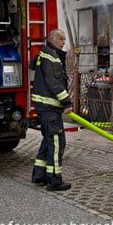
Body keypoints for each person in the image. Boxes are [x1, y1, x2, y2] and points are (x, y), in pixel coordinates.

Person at [30, 29, 73, 192]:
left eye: (64, 39)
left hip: (44, 107)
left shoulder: (44, 54)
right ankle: (54, 180)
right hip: (50, 108)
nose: (63, 42)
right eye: (61, 39)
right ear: (52, 40)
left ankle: (39, 175)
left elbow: (31, 65)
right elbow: (54, 83)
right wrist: (67, 103)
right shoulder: (52, 57)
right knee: (57, 143)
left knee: (48, 141)